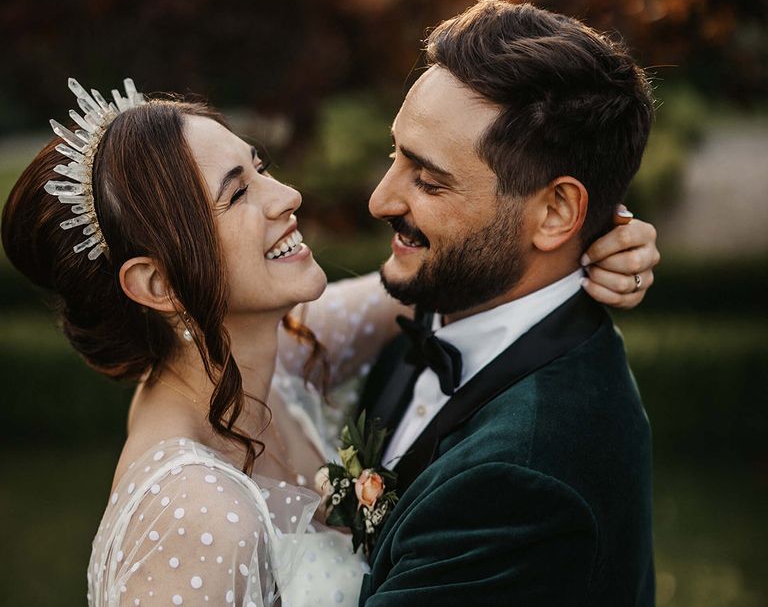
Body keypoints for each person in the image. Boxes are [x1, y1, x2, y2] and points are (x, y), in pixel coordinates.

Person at [0, 70, 657, 604]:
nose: (286, 195)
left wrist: (592, 229)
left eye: (259, 167)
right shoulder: (193, 512)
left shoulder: (279, 353)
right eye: (238, 194)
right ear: (157, 285)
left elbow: (459, 267)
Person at [357, 0, 657, 606]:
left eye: (428, 179)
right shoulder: (443, 304)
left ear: (555, 212)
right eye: (396, 156)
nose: (379, 199)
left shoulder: (524, 479)